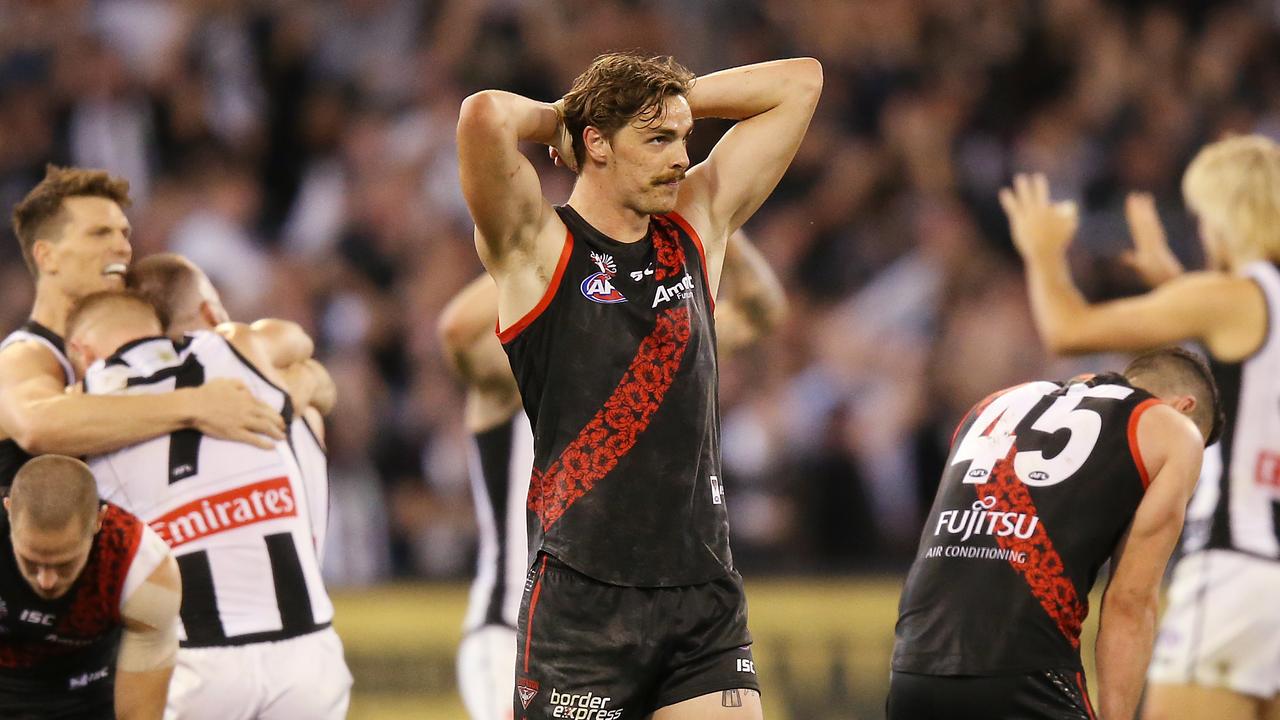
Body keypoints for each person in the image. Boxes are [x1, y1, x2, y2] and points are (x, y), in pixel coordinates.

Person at [456, 50, 821, 718]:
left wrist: (673, 102)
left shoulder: (695, 226)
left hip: (703, 592)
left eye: (684, 140)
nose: (682, 157)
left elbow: (801, 82)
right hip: (582, 602)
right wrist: (565, 116)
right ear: (595, 144)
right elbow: (483, 114)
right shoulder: (538, 249)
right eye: (658, 140)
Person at [439, 229, 787, 720]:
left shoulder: (644, 354)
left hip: (627, 613)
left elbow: (761, 311)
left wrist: (714, 223)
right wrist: (570, 249)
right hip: (512, 625)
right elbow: (456, 331)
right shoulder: (507, 371)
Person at [1000, 135, 1280, 720]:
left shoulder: (1235, 294)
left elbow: (1067, 329)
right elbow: (1245, 363)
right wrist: (1177, 286)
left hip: (1234, 570)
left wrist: (1043, 253)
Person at [65, 290, 352, 720]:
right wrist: (300, 385)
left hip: (195, 660)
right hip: (308, 650)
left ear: (80, 351)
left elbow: (31, 428)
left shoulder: (76, 406)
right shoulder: (233, 347)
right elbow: (299, 344)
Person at [889, 348, 1219, 720]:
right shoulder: (1176, 432)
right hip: (1024, 675)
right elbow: (1130, 600)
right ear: (1184, 407)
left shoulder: (992, 403)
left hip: (911, 670)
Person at [0, 165, 285, 487]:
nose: (123, 247)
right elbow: (36, 424)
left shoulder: (141, 338)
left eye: (123, 233)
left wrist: (306, 385)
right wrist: (195, 404)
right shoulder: (23, 356)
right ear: (47, 257)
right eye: (99, 233)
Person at [126, 252, 336, 561]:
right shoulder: (247, 358)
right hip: (304, 597)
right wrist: (306, 379)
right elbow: (301, 343)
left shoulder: (126, 410)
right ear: (211, 313)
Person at [0, 454, 180, 720]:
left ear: (98, 520)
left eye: (64, 564)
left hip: (87, 691)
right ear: (8, 509)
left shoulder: (141, 568)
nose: (45, 581)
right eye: (31, 561)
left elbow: (140, 713)